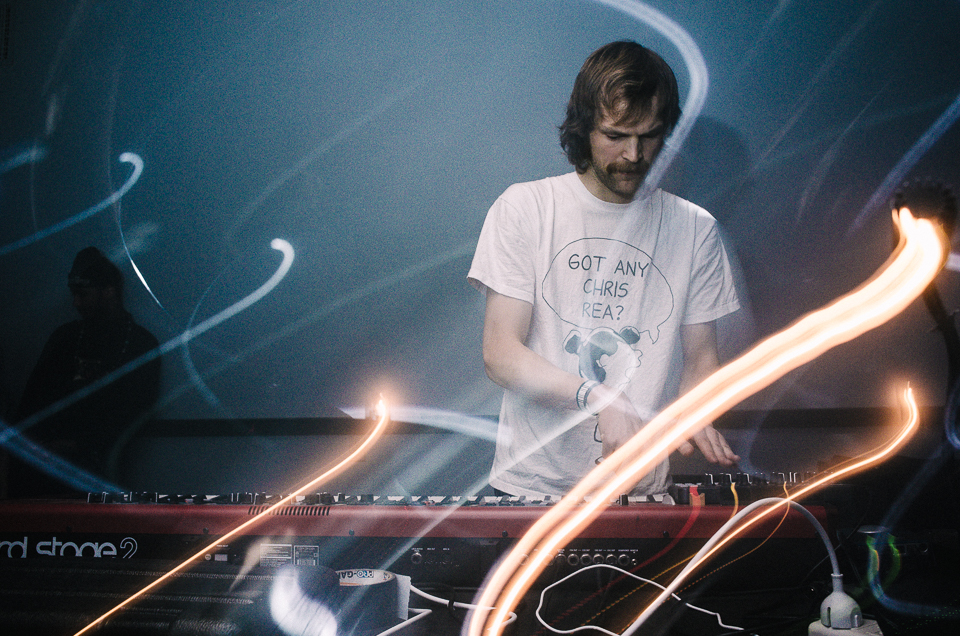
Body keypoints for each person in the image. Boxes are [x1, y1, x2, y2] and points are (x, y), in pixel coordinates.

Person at [468, 41, 741, 499]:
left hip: (643, 492)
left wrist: (696, 408)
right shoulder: (525, 208)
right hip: (533, 493)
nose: (634, 154)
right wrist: (597, 396)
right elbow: (500, 353)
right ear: (584, 128)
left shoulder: (695, 229)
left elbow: (701, 358)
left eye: (649, 136)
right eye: (616, 135)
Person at [7, 247, 160, 497]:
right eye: (74, 294)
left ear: (108, 291)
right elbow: (32, 403)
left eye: (83, 294)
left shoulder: (140, 344)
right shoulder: (65, 338)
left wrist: (75, 444)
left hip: (100, 476)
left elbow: (134, 413)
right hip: (45, 476)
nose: (76, 303)